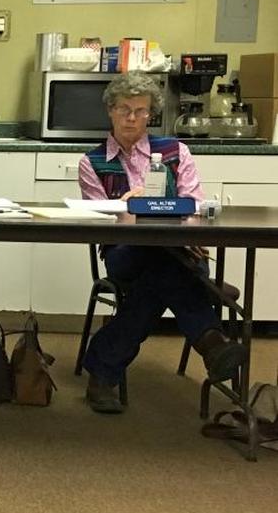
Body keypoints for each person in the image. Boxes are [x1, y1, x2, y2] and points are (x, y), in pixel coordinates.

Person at [78, 71, 246, 414]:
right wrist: (128, 206)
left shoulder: (175, 151)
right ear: (110, 110)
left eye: (140, 111)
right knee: (167, 269)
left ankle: (103, 369)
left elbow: (196, 207)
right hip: (125, 254)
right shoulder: (91, 163)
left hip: (179, 250)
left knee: (159, 276)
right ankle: (212, 341)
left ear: (150, 114)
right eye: (124, 109)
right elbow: (99, 222)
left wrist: (162, 211)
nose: (131, 118)